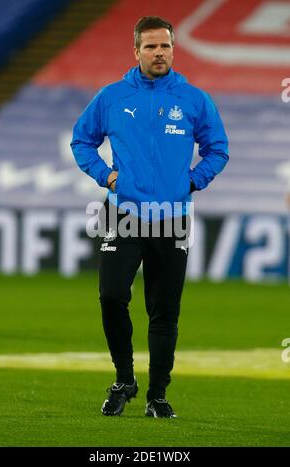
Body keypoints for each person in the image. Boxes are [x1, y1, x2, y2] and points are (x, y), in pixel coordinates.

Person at [71, 16, 229, 418]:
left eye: (166, 46)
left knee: (164, 311)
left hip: (171, 216)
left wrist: (191, 183)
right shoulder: (111, 97)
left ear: (174, 49)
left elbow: (218, 149)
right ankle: (124, 379)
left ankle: (157, 395)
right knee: (110, 296)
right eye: (151, 47)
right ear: (136, 51)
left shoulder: (194, 99)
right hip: (122, 213)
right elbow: (82, 140)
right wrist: (106, 175)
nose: (159, 53)